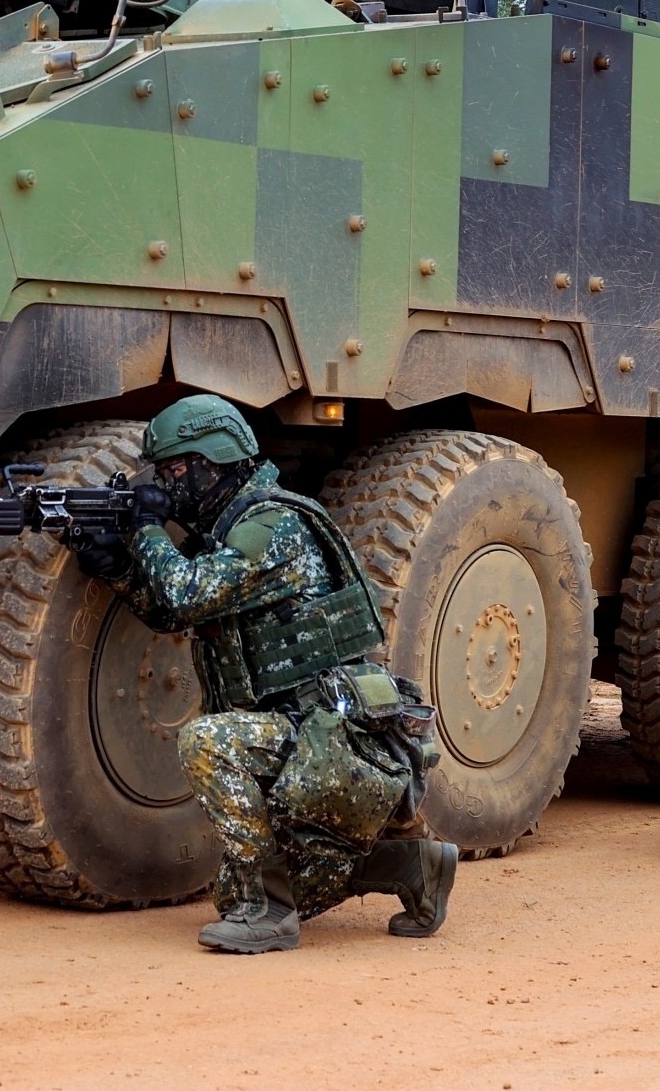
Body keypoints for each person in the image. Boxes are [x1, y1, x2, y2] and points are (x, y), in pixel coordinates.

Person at [70, 395, 455, 953]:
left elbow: (187, 591)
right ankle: (409, 864)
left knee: (207, 741)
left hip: (329, 739)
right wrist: (116, 567)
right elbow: (176, 610)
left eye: (177, 470)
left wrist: (145, 530)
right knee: (232, 891)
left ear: (214, 462)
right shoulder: (232, 529)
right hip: (298, 736)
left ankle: (269, 914)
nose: (169, 484)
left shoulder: (274, 525)